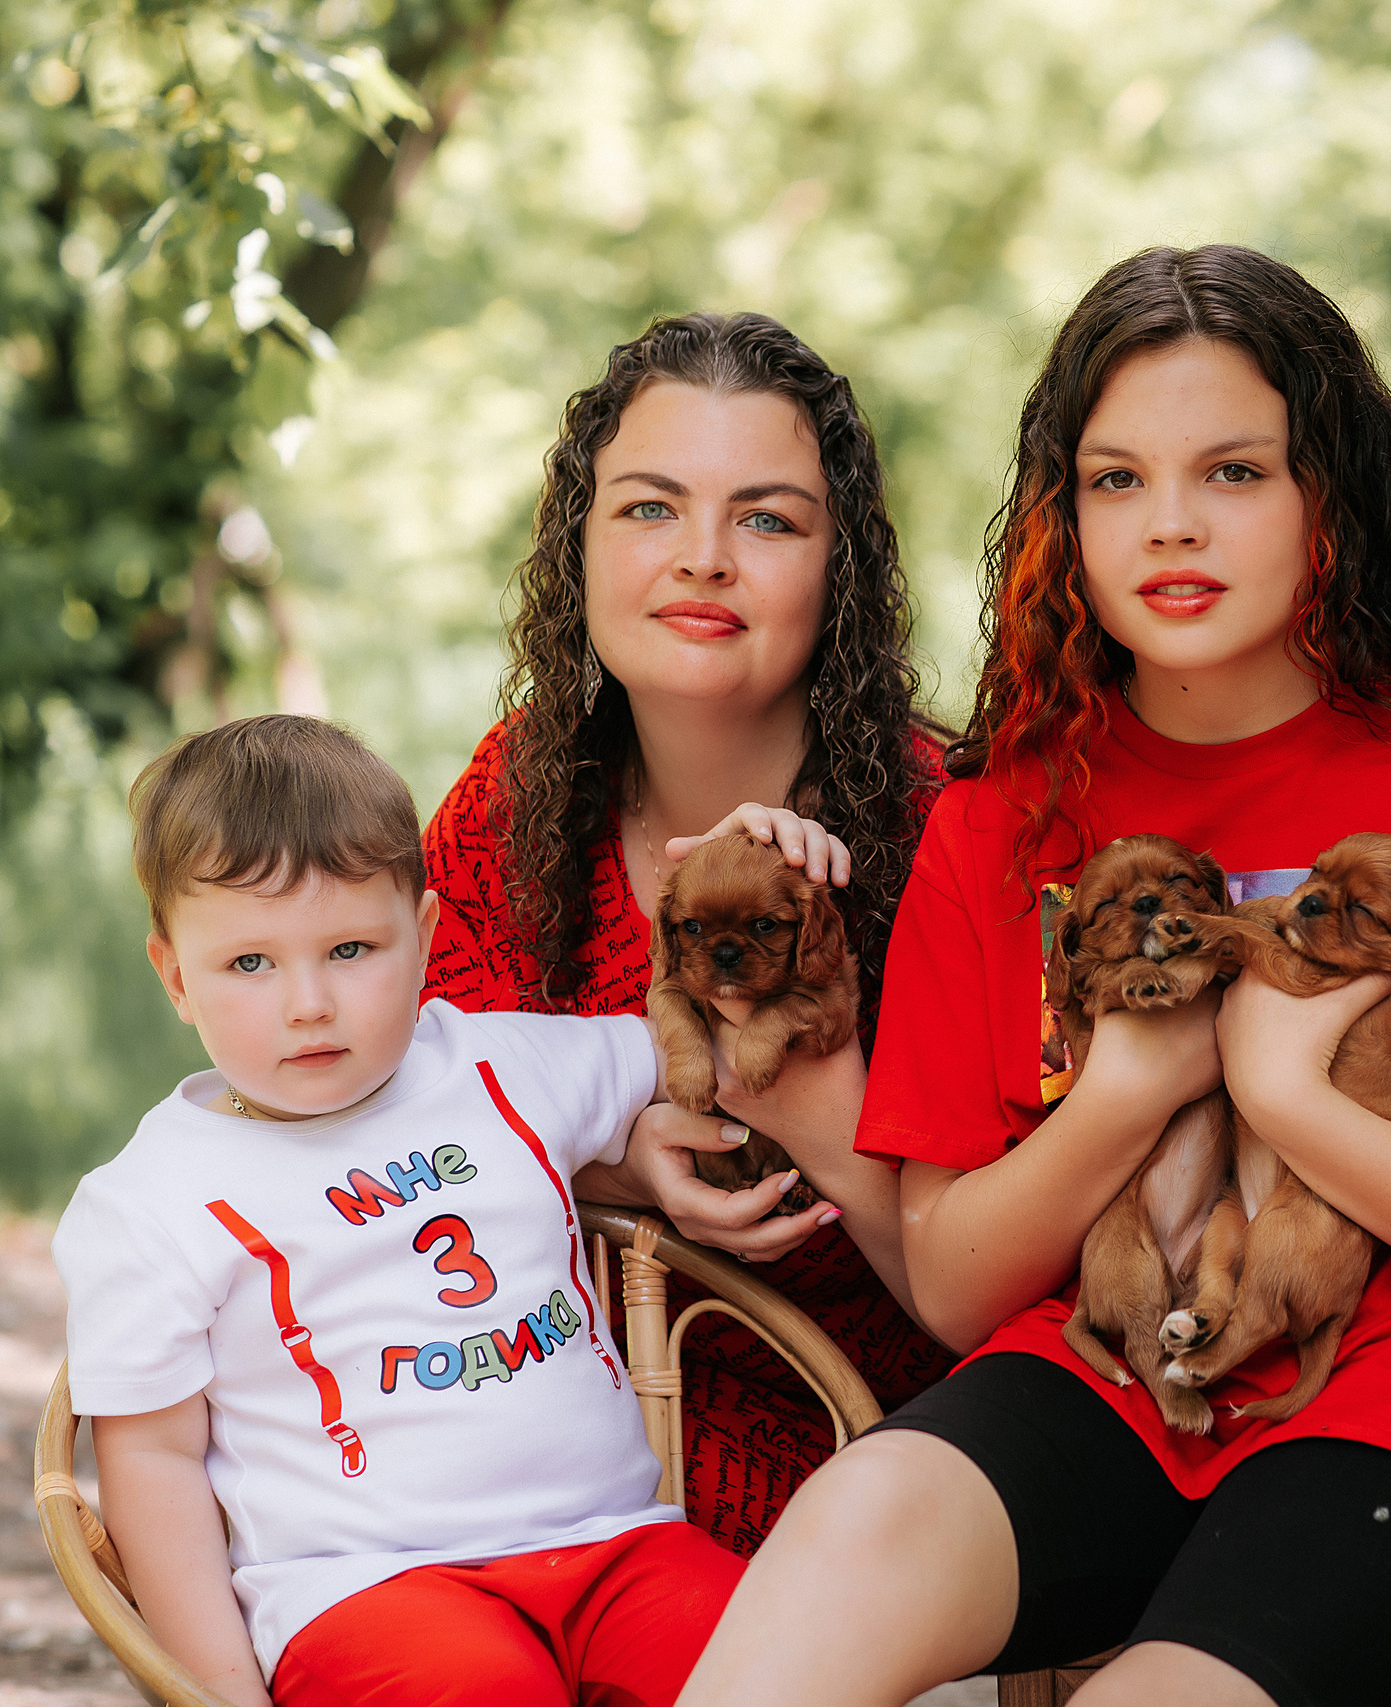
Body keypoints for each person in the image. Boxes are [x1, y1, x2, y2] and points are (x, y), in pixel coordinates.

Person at [680, 244, 1391, 1707]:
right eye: (1117, 480)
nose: (1172, 525)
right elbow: (967, 1283)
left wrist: (1284, 1094)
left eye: (1233, 473)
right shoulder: (1000, 819)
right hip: (1110, 1370)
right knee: (856, 1521)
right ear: (1064, 517)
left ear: (1328, 501)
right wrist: (1129, 1090)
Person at [51, 715, 744, 1707]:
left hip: (615, 1544)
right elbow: (152, 1462)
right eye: (250, 964)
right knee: (478, 1693)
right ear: (175, 979)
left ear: (420, 938)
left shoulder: (501, 1064)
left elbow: (698, 1043)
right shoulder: (155, 1198)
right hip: (365, 1587)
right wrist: (216, 1687)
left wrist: (764, 856)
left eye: (349, 948)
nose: (308, 1003)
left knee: (782, 1656)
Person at [419, 310, 953, 1554]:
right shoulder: (517, 798)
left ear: (840, 569)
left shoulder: (942, 827)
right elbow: (398, 1109)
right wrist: (618, 1162)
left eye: (766, 519)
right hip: (528, 1427)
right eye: (650, 508)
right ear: (580, 544)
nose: (703, 557)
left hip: (867, 1460)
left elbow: (1014, 1287)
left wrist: (809, 1094)